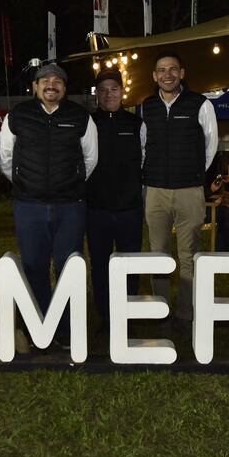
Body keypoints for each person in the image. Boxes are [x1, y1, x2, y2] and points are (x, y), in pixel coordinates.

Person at [0, 63, 98, 348]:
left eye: (58, 81)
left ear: (65, 88)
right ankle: (39, 329)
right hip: (29, 206)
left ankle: (66, 331)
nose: (51, 85)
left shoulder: (81, 117)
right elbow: (5, 159)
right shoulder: (18, 115)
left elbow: (90, 160)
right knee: (34, 267)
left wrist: (69, 184)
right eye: (45, 80)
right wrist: (27, 184)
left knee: (70, 269)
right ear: (35, 86)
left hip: (70, 207)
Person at [141, 50, 218, 332]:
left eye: (173, 69)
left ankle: (186, 314)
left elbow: (210, 147)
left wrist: (193, 175)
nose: (167, 74)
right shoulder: (145, 107)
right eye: (161, 70)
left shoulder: (201, 104)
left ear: (182, 73)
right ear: (154, 76)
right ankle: (161, 314)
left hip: (189, 190)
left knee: (188, 255)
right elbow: (142, 148)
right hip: (156, 191)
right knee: (158, 255)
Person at [86, 69, 146, 333]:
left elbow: (144, 162)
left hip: (129, 209)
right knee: (99, 265)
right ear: (96, 94)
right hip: (96, 209)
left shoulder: (136, 125)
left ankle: (130, 313)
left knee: (130, 265)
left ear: (123, 92)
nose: (109, 94)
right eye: (103, 90)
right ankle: (106, 316)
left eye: (114, 89)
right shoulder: (87, 123)